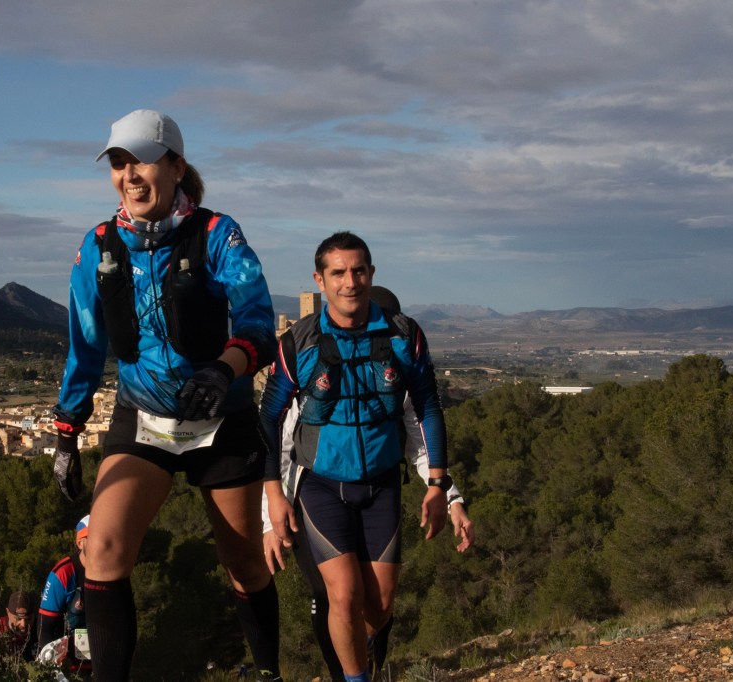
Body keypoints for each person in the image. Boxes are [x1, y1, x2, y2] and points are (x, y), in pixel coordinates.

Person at [52, 109, 281, 681]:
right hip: (143, 418)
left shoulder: (216, 233)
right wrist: (67, 432)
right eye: (118, 163)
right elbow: (85, 343)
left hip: (219, 416)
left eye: (142, 161)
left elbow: (257, 320)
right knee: (102, 551)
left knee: (243, 561)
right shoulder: (99, 245)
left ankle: (268, 672)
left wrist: (224, 370)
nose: (129, 175)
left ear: (177, 167)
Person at [260, 232, 452, 682]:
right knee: (343, 597)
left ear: (371, 273)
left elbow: (427, 407)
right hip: (322, 484)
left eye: (359, 270)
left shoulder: (404, 335)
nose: (350, 282)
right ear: (320, 280)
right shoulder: (299, 342)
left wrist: (439, 484)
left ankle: (361, 653)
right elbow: (268, 418)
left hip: (382, 483)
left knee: (379, 606)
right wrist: (273, 495)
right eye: (339, 273)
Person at [37, 515, 91, 675]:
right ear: (80, 543)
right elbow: (44, 627)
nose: (99, 543)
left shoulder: (113, 570)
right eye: (92, 538)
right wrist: (55, 670)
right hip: (68, 669)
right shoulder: (63, 573)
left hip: (102, 664)